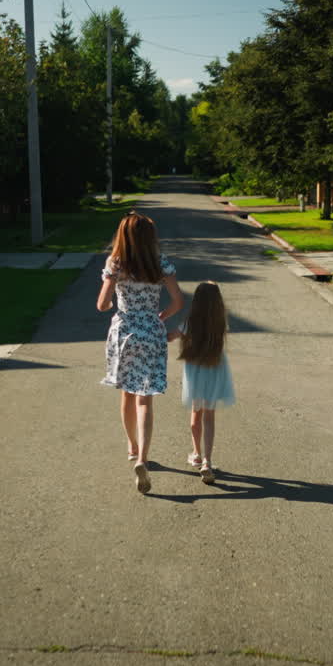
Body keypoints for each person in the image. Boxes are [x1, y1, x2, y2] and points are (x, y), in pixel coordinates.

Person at [97, 212, 184, 494]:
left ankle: (132, 448)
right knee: (145, 399)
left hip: (124, 331)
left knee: (127, 393)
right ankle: (144, 458)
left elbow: (102, 304)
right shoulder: (160, 264)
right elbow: (178, 301)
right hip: (151, 331)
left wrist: (114, 302)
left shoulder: (116, 264)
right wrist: (159, 316)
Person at [167, 281, 235, 485]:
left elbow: (170, 336)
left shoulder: (189, 323)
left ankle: (196, 453)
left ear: (196, 301)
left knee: (195, 414)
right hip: (215, 369)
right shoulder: (220, 322)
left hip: (195, 372)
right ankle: (208, 461)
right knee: (209, 416)